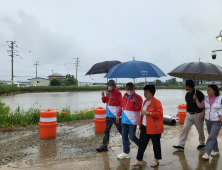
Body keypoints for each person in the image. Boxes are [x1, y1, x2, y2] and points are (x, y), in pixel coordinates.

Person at [131, 84, 163, 167]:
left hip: (154, 128)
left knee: (156, 144)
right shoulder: (145, 102)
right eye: (144, 91)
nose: (145, 93)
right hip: (145, 126)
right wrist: (140, 119)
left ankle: (156, 159)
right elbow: (143, 113)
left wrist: (148, 113)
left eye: (147, 91)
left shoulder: (156, 102)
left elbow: (159, 114)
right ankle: (139, 160)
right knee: (142, 144)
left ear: (152, 92)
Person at [173, 80, 205, 151]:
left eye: (185, 85)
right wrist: (186, 112)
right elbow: (187, 103)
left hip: (198, 114)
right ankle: (181, 145)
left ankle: (202, 143)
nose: (184, 87)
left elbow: (204, 105)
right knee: (185, 129)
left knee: (200, 130)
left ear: (188, 86)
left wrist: (203, 113)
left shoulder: (199, 94)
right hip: (189, 114)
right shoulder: (187, 94)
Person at [194, 84, 222, 159]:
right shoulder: (206, 98)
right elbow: (200, 106)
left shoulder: (220, 98)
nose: (207, 91)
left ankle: (207, 152)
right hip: (208, 120)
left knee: (211, 136)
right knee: (212, 136)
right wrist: (196, 99)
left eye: (209, 89)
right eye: (207, 89)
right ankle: (216, 150)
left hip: (217, 121)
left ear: (214, 90)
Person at [116, 82, 143, 159]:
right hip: (124, 120)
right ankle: (126, 152)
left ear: (134, 89)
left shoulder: (138, 98)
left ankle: (142, 148)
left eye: (131, 89)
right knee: (124, 136)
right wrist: (118, 115)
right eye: (128, 89)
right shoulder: (123, 97)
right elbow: (121, 107)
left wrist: (135, 102)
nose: (129, 90)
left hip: (132, 121)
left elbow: (138, 108)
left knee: (132, 136)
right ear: (125, 89)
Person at [96, 80, 122, 152]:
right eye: (107, 85)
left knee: (121, 130)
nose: (108, 86)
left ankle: (127, 142)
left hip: (116, 116)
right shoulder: (108, 92)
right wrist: (103, 96)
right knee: (106, 130)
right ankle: (104, 146)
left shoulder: (118, 93)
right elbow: (104, 101)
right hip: (109, 115)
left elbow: (119, 103)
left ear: (114, 85)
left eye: (109, 85)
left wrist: (110, 97)